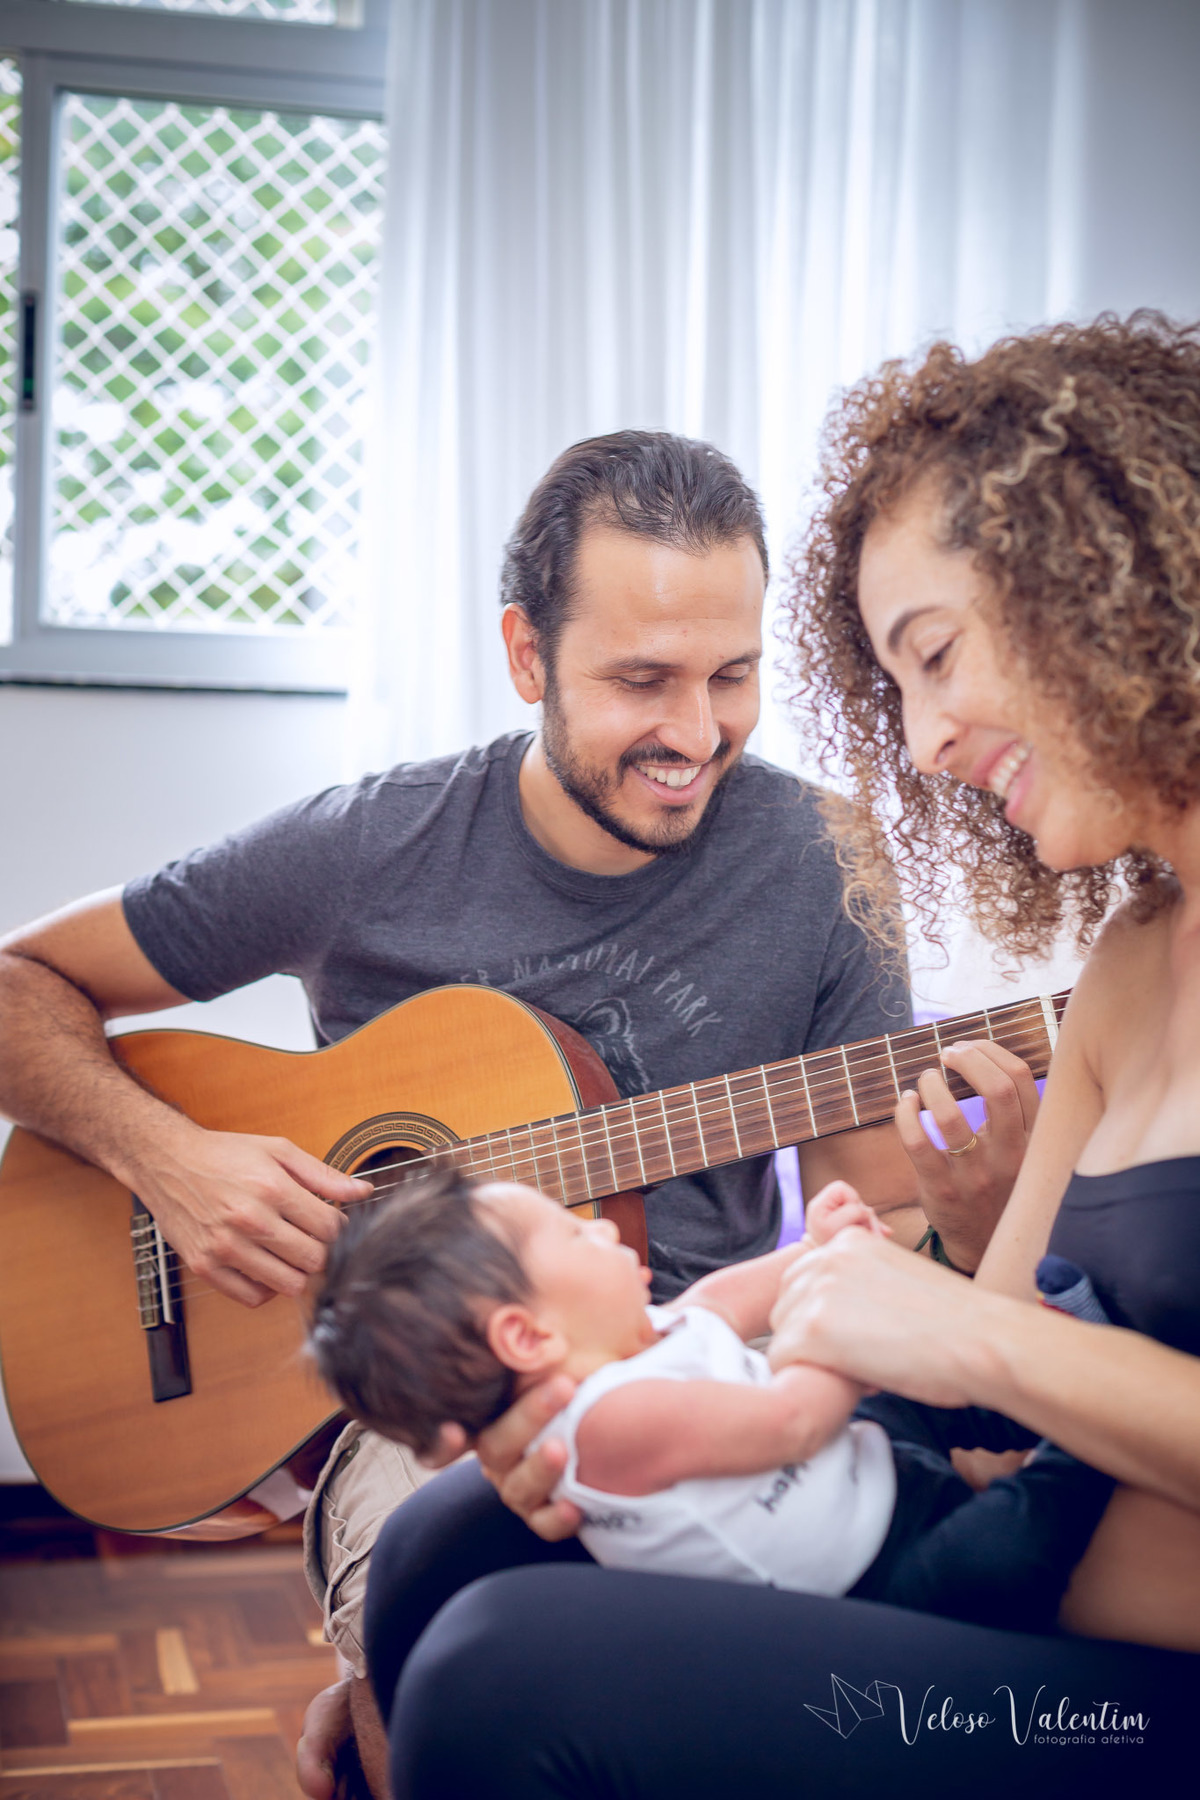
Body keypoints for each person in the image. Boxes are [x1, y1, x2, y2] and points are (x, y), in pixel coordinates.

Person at [0, 430, 1033, 1798]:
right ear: (527, 656)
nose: (696, 734)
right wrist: (168, 1159)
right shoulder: (372, 844)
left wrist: (971, 1221)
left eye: (732, 675)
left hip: (702, 1351)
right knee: (421, 1608)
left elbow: (878, 1210)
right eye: (642, 680)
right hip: (431, 1403)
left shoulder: (823, 860)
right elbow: (19, 985)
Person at [359, 316, 1200, 1797]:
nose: (922, 743)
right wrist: (653, 1386)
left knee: (502, 1677)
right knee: (443, 1544)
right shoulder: (1132, 965)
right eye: (894, 686)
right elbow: (984, 1378)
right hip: (1005, 1561)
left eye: (935, 656)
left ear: (1113, 590)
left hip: (1126, 1685)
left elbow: (987, 1351)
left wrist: (963, 1336)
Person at [312, 1167, 1113, 1634]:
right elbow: (793, 1422)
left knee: (925, 1384)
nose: (603, 1229)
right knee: (1006, 1554)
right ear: (528, 1336)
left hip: (864, 1469)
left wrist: (821, 1248)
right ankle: (1081, 1450)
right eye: (573, 1234)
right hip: (875, 1582)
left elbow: (725, 1302)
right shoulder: (607, 1426)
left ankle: (1060, 1359)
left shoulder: (637, 1335)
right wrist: (845, 1321)